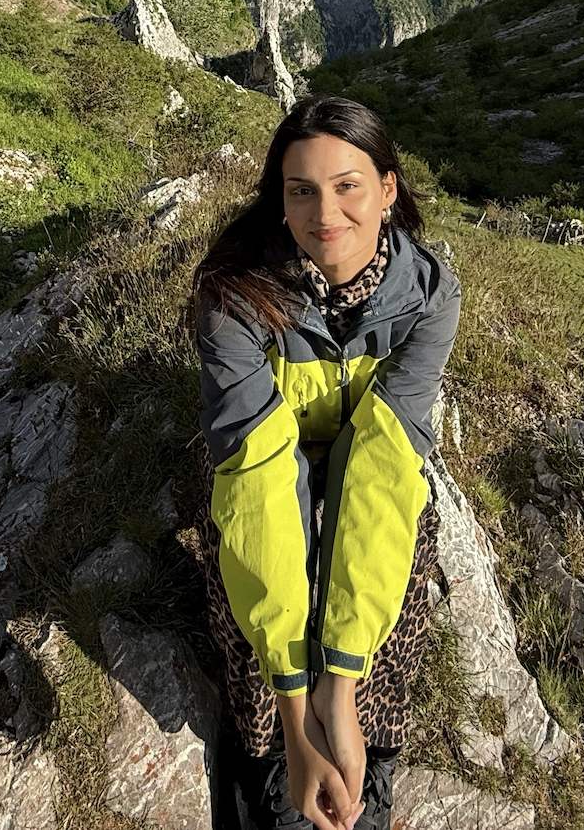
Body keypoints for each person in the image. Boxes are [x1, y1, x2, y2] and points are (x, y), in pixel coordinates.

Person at [193, 95, 460, 830]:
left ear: (388, 188)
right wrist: (293, 693)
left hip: (366, 454)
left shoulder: (428, 299)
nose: (325, 214)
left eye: (348, 186)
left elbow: (381, 462)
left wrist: (337, 686)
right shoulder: (236, 297)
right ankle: (273, 756)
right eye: (301, 190)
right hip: (265, 457)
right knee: (251, 580)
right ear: (279, 200)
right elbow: (257, 472)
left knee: (398, 565)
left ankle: (362, 748)